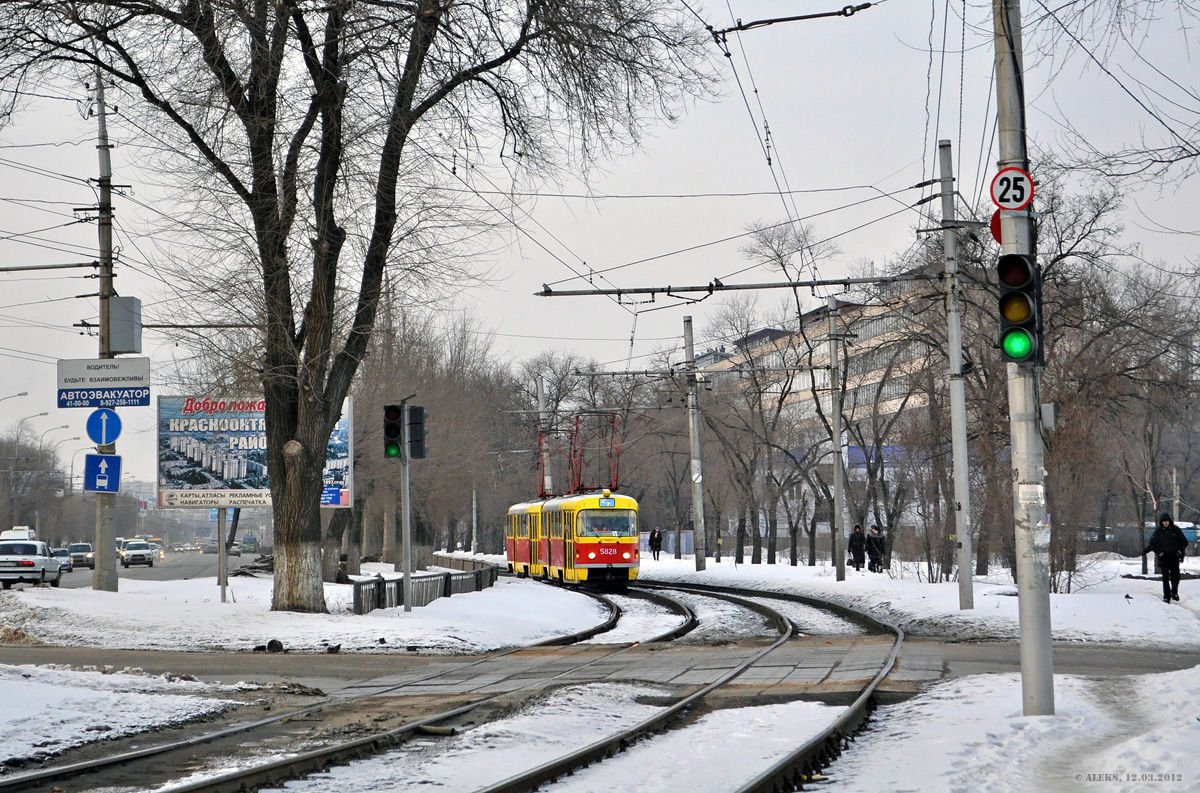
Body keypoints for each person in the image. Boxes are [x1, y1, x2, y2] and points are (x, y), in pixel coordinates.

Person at [1144, 513, 1188, 603]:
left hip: (1174, 557)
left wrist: (1180, 553)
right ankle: (1166, 597)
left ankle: (1174, 592)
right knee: (1165, 578)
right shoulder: (1158, 532)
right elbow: (1152, 544)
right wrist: (1158, 552)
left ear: (1169, 522)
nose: (1166, 523)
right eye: (1164, 522)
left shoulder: (1176, 530)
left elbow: (1184, 542)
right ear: (1161, 522)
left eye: (1167, 521)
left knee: (1175, 576)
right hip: (1163, 557)